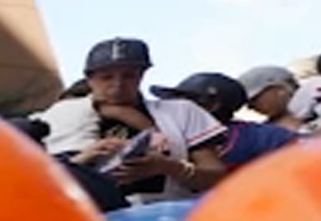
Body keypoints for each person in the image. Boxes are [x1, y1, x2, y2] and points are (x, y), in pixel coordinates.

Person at [38, 38, 226, 204]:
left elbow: (216, 176)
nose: (117, 84)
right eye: (106, 77)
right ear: (90, 79)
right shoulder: (60, 115)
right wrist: (81, 162)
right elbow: (37, 178)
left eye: (129, 76)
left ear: (142, 75)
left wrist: (169, 167)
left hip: (165, 219)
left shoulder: (181, 111)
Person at [151, 72, 297, 169]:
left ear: (212, 106)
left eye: (184, 102)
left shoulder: (263, 137)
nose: (175, 108)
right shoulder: (166, 138)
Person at [238, 65, 304, 132]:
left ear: (280, 88)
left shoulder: (313, 109)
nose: (250, 107)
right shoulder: (262, 133)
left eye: (254, 99)